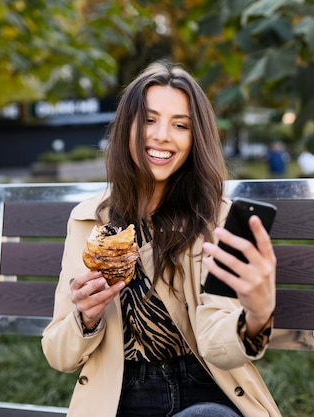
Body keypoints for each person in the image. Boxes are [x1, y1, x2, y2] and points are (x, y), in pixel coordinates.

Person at [41, 60, 282, 417]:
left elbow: (217, 343)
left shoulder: (214, 218)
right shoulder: (88, 221)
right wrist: (85, 318)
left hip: (204, 389)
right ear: (127, 127)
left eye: (180, 125)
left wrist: (257, 315)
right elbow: (59, 355)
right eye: (149, 120)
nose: (162, 135)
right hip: (121, 394)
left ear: (195, 137)